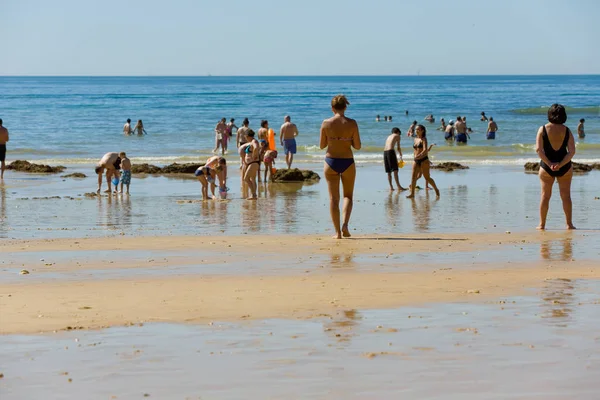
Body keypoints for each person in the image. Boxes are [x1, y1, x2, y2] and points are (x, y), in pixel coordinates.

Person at [319, 94, 361, 239]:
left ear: (332, 108)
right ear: (345, 107)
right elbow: (357, 146)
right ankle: (345, 225)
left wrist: (333, 139)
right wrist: (346, 139)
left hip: (331, 161)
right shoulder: (352, 123)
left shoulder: (325, 123)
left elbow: (322, 145)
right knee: (348, 196)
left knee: (333, 199)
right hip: (348, 161)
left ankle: (337, 233)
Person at [536, 104, 576, 230]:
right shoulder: (567, 130)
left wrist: (549, 164)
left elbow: (538, 150)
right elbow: (571, 151)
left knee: (545, 196)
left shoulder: (542, 129)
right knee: (566, 196)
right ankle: (569, 224)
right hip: (564, 167)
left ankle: (542, 224)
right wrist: (560, 164)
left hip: (546, 168)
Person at [406, 125, 440, 199]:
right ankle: (412, 194)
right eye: (416, 129)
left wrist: (420, 155)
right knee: (413, 177)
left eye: (418, 129)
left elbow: (425, 150)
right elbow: (415, 150)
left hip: (424, 160)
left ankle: (436, 190)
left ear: (422, 131)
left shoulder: (424, 139)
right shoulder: (415, 139)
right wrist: (415, 157)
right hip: (416, 160)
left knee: (427, 178)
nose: (416, 130)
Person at [243, 130, 260, 200]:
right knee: (252, 179)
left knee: (246, 178)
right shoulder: (251, 142)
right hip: (251, 163)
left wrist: (254, 155)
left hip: (253, 163)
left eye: (245, 137)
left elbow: (256, 147)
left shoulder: (254, 141)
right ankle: (253, 194)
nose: (245, 138)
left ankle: (254, 195)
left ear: (247, 136)